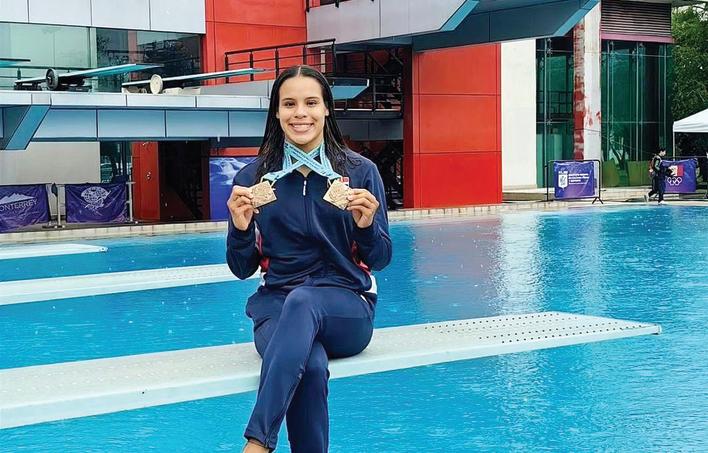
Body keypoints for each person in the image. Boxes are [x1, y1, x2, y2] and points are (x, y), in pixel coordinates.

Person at [226, 65, 392, 453]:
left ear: (326, 109)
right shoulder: (254, 178)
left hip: (345, 308)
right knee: (312, 366)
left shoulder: (359, 173)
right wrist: (240, 228)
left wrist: (366, 226)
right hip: (277, 308)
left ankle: (257, 443)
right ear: (277, 112)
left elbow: (381, 258)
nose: (300, 113)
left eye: (311, 103)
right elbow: (242, 268)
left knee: (304, 299)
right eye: (289, 104)